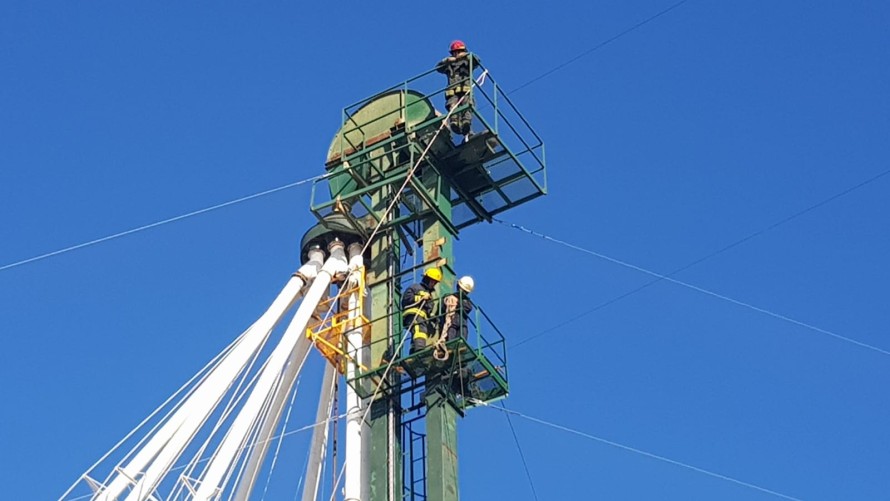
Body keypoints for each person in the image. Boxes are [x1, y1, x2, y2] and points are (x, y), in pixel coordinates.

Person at [436, 40, 482, 137]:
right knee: (452, 106)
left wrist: (466, 56)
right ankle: (454, 123)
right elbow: (438, 68)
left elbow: (476, 60)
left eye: (459, 51)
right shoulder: (449, 65)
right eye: (455, 52)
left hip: (465, 90)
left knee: (467, 105)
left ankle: (466, 124)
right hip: (452, 92)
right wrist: (447, 60)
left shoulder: (468, 61)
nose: (457, 54)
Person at [402, 267, 442, 353]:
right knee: (420, 330)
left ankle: (413, 352)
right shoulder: (415, 287)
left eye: (435, 282)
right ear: (427, 279)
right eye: (432, 281)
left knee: (417, 333)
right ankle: (419, 350)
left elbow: (428, 310)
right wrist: (420, 297)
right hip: (413, 314)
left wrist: (432, 317)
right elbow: (406, 299)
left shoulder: (430, 296)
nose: (433, 284)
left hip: (422, 317)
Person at [441, 275, 474, 342]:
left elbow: (468, 308)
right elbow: (443, 306)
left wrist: (457, 301)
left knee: (461, 339)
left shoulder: (467, 302)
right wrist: (449, 300)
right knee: (451, 340)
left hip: (462, 325)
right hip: (451, 324)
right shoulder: (449, 297)